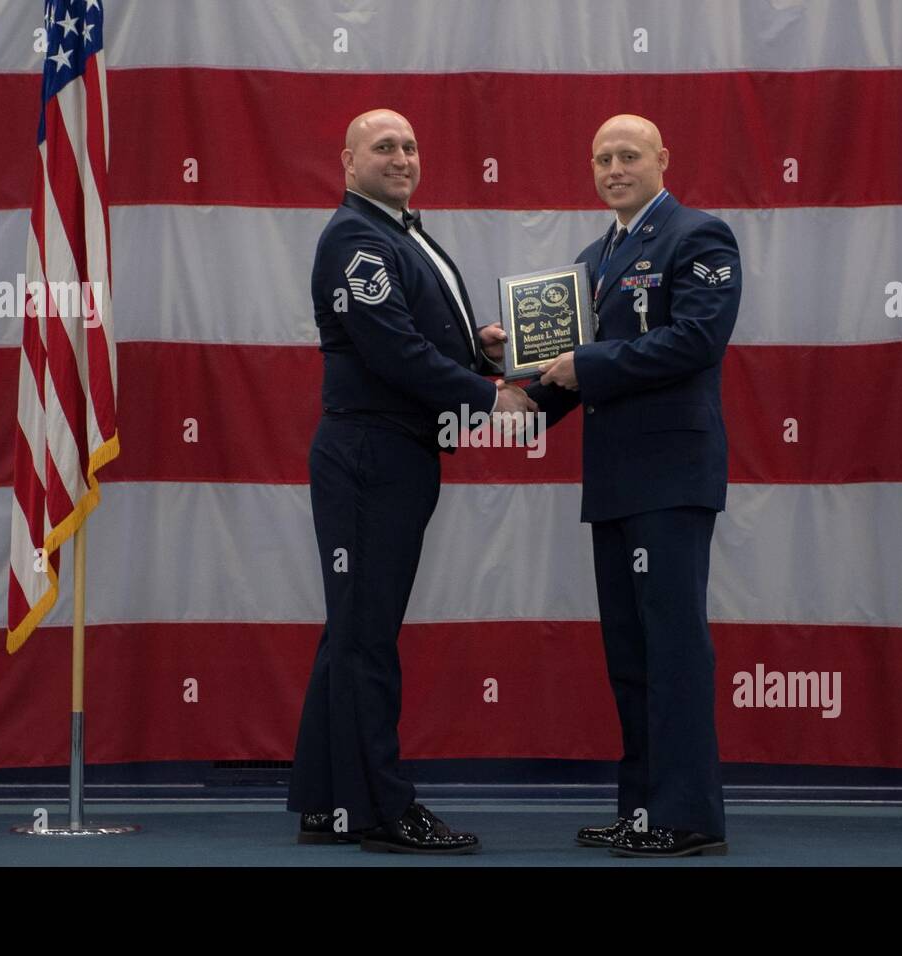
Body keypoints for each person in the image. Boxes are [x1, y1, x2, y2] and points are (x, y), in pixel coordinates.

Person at [288, 108, 536, 854]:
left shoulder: (398, 232)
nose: (400, 156)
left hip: (391, 454)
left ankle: (328, 802)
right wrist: (491, 395)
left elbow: (410, 334)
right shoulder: (358, 238)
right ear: (347, 160)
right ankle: (385, 810)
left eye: (409, 144)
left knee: (354, 630)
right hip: (371, 455)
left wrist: (477, 348)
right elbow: (390, 349)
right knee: (366, 640)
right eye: (383, 146)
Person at [529, 114, 742, 857]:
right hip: (615, 483)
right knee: (632, 655)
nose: (614, 168)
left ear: (662, 160)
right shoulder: (594, 256)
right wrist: (499, 385)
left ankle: (687, 816)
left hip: (669, 478)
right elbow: (561, 373)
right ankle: (644, 811)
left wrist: (584, 366)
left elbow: (696, 339)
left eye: (629, 155)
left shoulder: (700, 236)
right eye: (602, 158)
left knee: (674, 650)